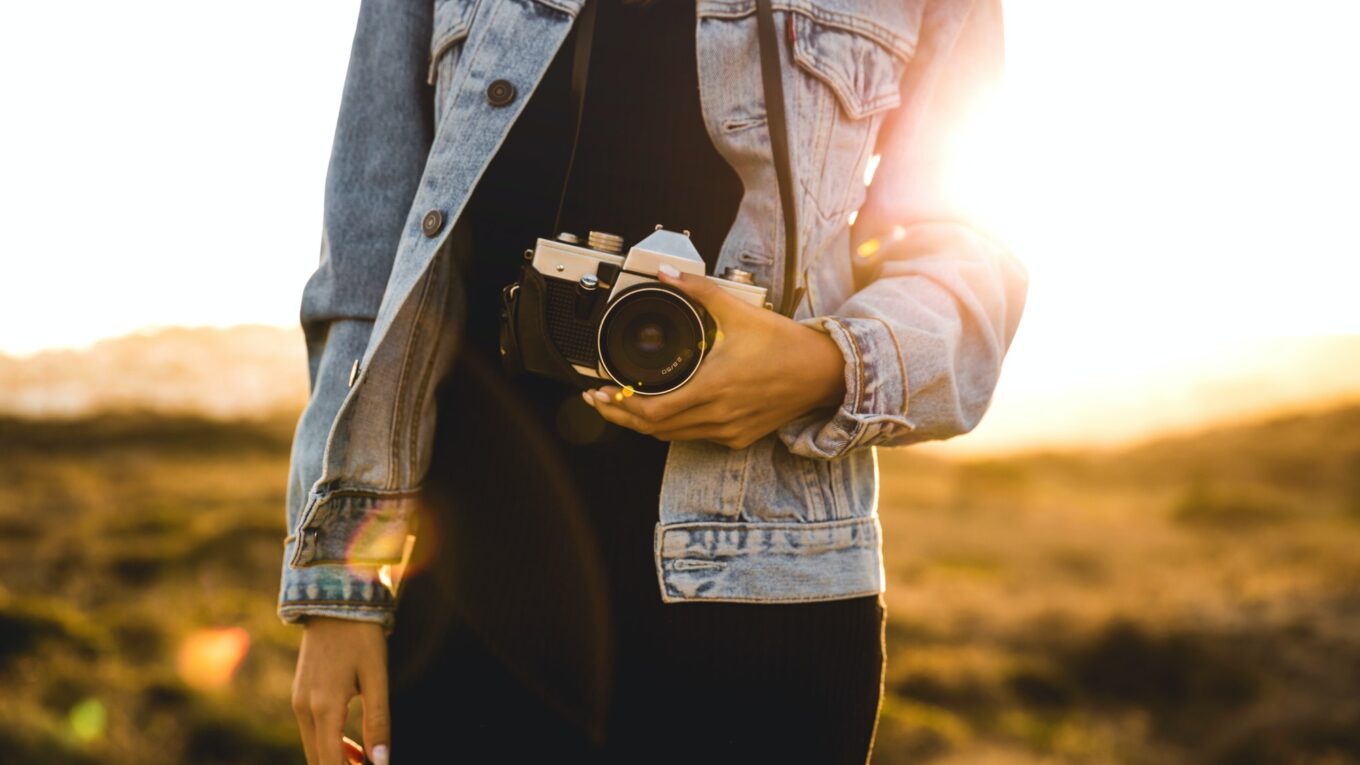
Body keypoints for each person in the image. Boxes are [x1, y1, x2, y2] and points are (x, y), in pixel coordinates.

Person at [280, 0, 1026, 763]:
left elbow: (964, 257)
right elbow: (371, 265)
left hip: (768, 610)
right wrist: (340, 587)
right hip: (472, 595)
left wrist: (821, 365)